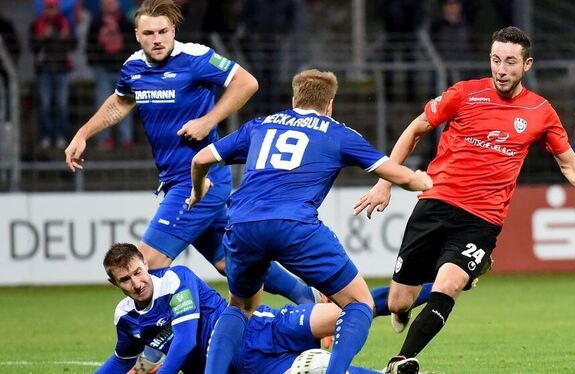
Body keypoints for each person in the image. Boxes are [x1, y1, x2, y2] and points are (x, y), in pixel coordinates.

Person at [353, 26, 575, 374]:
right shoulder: (464, 94)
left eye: (510, 62)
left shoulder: (540, 111)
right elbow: (415, 128)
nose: (501, 69)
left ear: (527, 64)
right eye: (496, 60)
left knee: (449, 284)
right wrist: (386, 182)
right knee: (398, 303)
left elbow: (567, 161)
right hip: (436, 202)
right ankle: (437, 290)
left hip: (482, 219)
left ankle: (401, 361)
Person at [65, 0, 318, 306]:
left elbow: (247, 83)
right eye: (149, 33)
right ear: (137, 35)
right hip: (174, 180)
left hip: (201, 180)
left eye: (162, 31)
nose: (157, 39)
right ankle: (305, 297)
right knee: (231, 263)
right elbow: (120, 102)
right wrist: (83, 134)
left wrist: (209, 120)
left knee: (148, 264)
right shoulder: (133, 67)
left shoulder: (195, 57)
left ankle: (157, 348)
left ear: (172, 31)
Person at [188, 69, 433, 374]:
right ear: (329, 104)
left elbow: (200, 159)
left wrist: (198, 191)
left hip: (243, 224)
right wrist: (419, 180)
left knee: (239, 306)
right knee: (358, 302)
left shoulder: (260, 125)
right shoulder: (337, 132)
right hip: (293, 225)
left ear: (294, 99)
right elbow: (397, 174)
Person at [98, 243, 428, 373]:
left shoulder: (173, 279)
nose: (136, 282)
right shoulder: (126, 318)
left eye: (138, 271)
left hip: (263, 326)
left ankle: (434, 288)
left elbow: (184, 341)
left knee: (350, 309)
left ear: (145, 264)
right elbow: (121, 359)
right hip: (247, 365)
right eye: (126, 280)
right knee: (310, 369)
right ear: (117, 285)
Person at [87, 0, 136, 150]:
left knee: (124, 105)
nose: (108, 4)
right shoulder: (96, 23)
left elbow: (133, 44)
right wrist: (95, 62)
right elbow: (90, 45)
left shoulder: (126, 23)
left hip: (122, 70)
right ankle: (105, 139)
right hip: (103, 69)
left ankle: (126, 138)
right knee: (103, 106)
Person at [31, 0, 77, 149]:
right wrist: (43, 37)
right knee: (45, 105)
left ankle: (61, 136)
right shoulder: (37, 25)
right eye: (48, 8)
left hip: (62, 69)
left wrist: (66, 37)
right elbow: (32, 47)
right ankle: (46, 136)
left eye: (53, 8)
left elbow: (74, 44)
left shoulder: (65, 24)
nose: (51, 11)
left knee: (61, 105)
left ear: (57, 9)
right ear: (44, 9)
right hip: (44, 71)